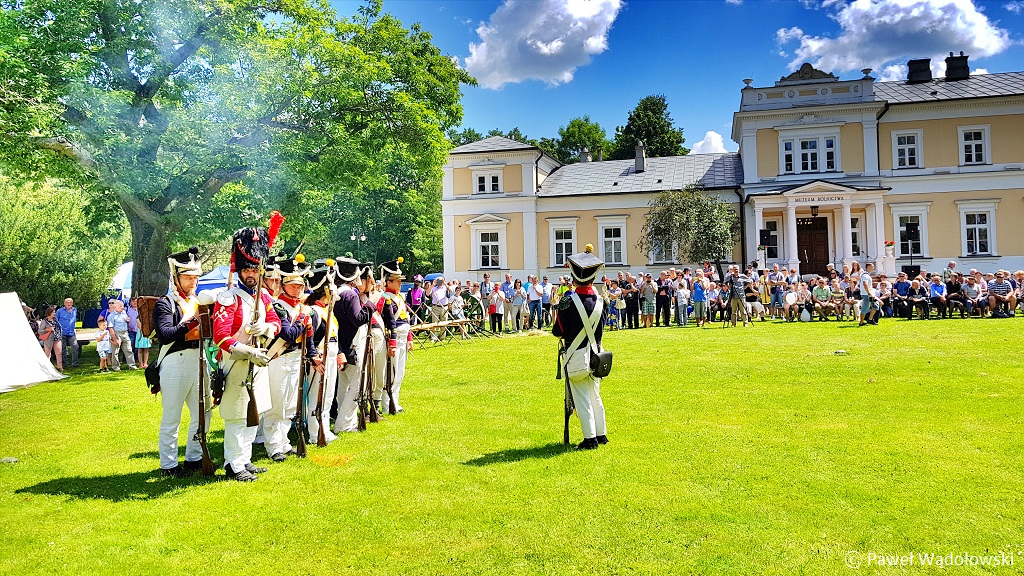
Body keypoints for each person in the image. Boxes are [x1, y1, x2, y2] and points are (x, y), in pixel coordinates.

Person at [214, 228, 281, 481]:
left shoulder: (263, 295)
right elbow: (221, 337)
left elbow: (276, 323)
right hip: (237, 363)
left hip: (258, 361)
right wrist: (249, 351)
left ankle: (245, 459)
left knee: (255, 413)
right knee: (237, 416)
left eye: (254, 270)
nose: (250, 274)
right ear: (239, 271)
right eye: (246, 270)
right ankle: (233, 464)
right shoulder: (229, 297)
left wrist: (266, 328)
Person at [152, 246, 211, 477]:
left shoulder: (198, 301)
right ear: (176, 278)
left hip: (198, 360)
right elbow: (166, 334)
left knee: (203, 414)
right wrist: (193, 321)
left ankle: (194, 458)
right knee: (172, 417)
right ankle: (168, 465)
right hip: (175, 361)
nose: (192, 282)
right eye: (187, 278)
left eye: (195, 278)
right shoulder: (165, 303)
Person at [552, 244, 608, 451]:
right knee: (595, 396)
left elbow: (558, 331)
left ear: (574, 277)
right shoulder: (602, 301)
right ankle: (601, 434)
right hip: (597, 354)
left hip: (576, 355)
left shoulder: (567, 301)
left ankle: (590, 439)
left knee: (582, 398)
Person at [261, 253, 313, 460]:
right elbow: (288, 334)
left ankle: (283, 442)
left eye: (299, 286)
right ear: (282, 285)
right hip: (279, 357)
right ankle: (273, 446)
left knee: (290, 404)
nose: (297, 289)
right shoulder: (277, 306)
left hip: (296, 357)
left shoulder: (300, 307)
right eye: (292, 286)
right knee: (277, 404)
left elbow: (306, 336)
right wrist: (303, 318)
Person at [333, 257, 377, 433]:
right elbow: (358, 319)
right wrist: (370, 304)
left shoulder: (337, 291)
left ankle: (344, 420)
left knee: (344, 385)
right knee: (356, 385)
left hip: (342, 345)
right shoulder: (350, 294)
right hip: (351, 344)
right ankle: (344, 423)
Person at [377, 258, 413, 413]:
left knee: (400, 372)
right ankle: (387, 404)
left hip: (403, 338)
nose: (400, 283)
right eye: (396, 280)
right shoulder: (385, 298)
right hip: (394, 338)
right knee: (392, 372)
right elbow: (388, 321)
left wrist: (409, 338)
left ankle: (395, 401)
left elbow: (406, 318)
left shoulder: (399, 297)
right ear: (388, 282)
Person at [107, 299, 137, 371]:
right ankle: (116, 367)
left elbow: (127, 321)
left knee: (129, 350)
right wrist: (114, 339)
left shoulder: (124, 313)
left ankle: (132, 365)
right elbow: (110, 328)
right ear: (115, 307)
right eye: (120, 306)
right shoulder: (111, 316)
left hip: (125, 333)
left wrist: (128, 321)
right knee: (115, 352)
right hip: (116, 333)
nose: (122, 307)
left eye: (123, 306)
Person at [38, 306, 63, 372]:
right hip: (48, 339)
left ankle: (59, 367)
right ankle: (47, 368)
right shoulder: (44, 321)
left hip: (57, 338)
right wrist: (48, 329)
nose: (54, 314)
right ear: (49, 313)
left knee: (59, 353)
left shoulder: (56, 320)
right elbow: (40, 331)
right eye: (53, 312)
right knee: (47, 354)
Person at [55, 298, 79, 368]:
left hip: (71, 332)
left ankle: (75, 363)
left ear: (72, 303)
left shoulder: (74, 310)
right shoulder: (59, 311)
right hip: (62, 332)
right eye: (67, 302)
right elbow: (56, 321)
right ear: (64, 303)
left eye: (70, 302)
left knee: (75, 347)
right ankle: (65, 364)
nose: (69, 304)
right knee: (63, 349)